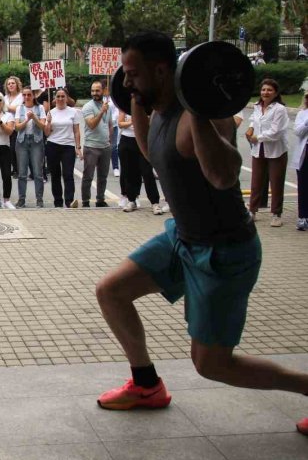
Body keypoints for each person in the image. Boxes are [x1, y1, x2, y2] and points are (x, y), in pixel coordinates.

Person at [94, 32, 308, 436]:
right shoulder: (156, 109)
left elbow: (224, 174)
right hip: (183, 238)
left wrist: (197, 104)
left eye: (133, 75)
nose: (127, 84)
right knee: (112, 291)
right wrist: (135, 101)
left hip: (225, 252)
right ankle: (146, 386)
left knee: (212, 364)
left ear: (162, 71)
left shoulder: (203, 116)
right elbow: (149, 151)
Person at [245, 79, 290, 227]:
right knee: (256, 182)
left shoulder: (279, 109)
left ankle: (276, 214)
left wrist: (257, 137)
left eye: (269, 90)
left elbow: (276, 132)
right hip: (259, 150)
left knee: (276, 182)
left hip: (276, 151)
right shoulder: (258, 106)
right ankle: (252, 211)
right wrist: (251, 129)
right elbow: (254, 120)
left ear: (276, 93)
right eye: (263, 90)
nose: (266, 93)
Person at [117, 109, 163, 214]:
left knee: (147, 173)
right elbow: (120, 123)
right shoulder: (125, 107)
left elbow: (152, 122)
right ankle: (131, 200)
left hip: (143, 140)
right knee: (129, 172)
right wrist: (132, 122)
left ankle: (154, 202)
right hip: (127, 140)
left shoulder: (147, 107)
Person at [43, 88, 81, 208]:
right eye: (58, 96)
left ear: (67, 98)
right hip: (53, 145)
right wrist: (48, 122)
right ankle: (58, 201)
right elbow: (47, 133)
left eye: (62, 96)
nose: (60, 99)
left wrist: (78, 147)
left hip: (68, 146)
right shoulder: (51, 112)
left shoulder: (73, 112)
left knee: (68, 174)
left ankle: (69, 201)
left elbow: (76, 131)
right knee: (55, 175)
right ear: (54, 98)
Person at [13, 87, 48, 207]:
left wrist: (34, 118)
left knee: (38, 172)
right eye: (24, 95)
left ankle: (39, 199)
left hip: (36, 141)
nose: (27, 97)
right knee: (22, 173)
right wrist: (27, 120)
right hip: (22, 141)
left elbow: (43, 126)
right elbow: (17, 127)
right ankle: (21, 199)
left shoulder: (40, 108)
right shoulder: (19, 108)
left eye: (29, 95)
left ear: (33, 96)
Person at [81, 80, 113, 207]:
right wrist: (101, 112)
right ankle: (85, 201)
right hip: (91, 146)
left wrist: (110, 139)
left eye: (97, 90)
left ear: (103, 91)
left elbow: (110, 125)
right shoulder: (88, 107)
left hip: (105, 146)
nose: (94, 93)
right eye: (93, 90)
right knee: (88, 176)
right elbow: (92, 125)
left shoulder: (107, 106)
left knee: (103, 176)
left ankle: (100, 199)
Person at [293, 91, 308, 231]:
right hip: (305, 152)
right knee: (304, 184)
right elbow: (297, 132)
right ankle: (303, 216)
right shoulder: (302, 114)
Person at [4, 76, 23, 178]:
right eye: (9, 83)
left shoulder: (21, 96)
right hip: (6, 126)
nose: (11, 85)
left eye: (13, 83)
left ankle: (18, 169)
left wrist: (5, 107)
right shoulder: (5, 97)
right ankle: (13, 168)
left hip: (16, 126)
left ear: (17, 85)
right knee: (8, 149)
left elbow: (19, 109)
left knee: (14, 148)